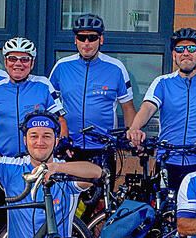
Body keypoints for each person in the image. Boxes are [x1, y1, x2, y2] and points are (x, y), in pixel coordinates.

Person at [127, 28, 196, 192]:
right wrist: (134, 128)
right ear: (174, 55)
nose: (185, 53)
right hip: (168, 160)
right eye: (180, 49)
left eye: (191, 48)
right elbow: (147, 108)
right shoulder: (162, 83)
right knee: (164, 205)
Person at [48, 13, 136, 168]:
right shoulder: (62, 66)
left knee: (103, 185)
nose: (86, 43)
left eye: (92, 37)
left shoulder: (116, 68)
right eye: (82, 38)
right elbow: (49, 104)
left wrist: (131, 137)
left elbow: (128, 107)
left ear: (101, 40)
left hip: (103, 147)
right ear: (75, 40)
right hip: (70, 146)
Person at [0, 37, 66, 157]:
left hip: (37, 161)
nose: (18, 64)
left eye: (24, 59)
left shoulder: (43, 85)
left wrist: (62, 144)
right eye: (12, 59)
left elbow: (60, 121)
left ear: (32, 63)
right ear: (5, 62)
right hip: (4, 159)